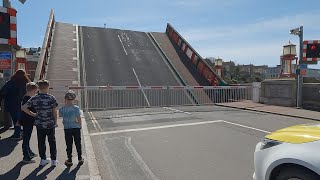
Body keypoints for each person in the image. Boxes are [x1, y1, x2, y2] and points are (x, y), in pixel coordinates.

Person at [21, 80, 59, 167]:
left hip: (39, 124)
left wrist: (33, 114)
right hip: (50, 124)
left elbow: (23, 108)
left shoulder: (34, 98)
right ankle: (53, 160)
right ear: (48, 87)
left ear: (39, 87)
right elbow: (54, 111)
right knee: (52, 142)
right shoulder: (51, 98)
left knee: (41, 142)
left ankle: (43, 159)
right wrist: (56, 122)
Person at [0, 69, 31, 139]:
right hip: (24, 104)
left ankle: (17, 133)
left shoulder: (10, 83)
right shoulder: (26, 83)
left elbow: (2, 92)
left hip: (11, 103)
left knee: (15, 119)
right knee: (21, 118)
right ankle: (21, 131)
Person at [59, 90, 84, 166]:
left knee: (69, 144)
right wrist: (80, 125)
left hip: (67, 128)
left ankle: (69, 160)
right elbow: (79, 118)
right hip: (76, 127)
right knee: (78, 143)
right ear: (74, 99)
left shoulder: (62, 109)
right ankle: (80, 158)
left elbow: (61, 117)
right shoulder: (76, 108)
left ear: (65, 99)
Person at [19, 82, 39, 163]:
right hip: (27, 120)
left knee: (27, 137)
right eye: (36, 90)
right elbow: (23, 108)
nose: (37, 91)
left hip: (27, 120)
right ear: (33, 90)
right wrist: (33, 114)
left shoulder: (26, 97)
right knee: (26, 138)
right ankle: (26, 156)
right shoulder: (28, 98)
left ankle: (29, 152)